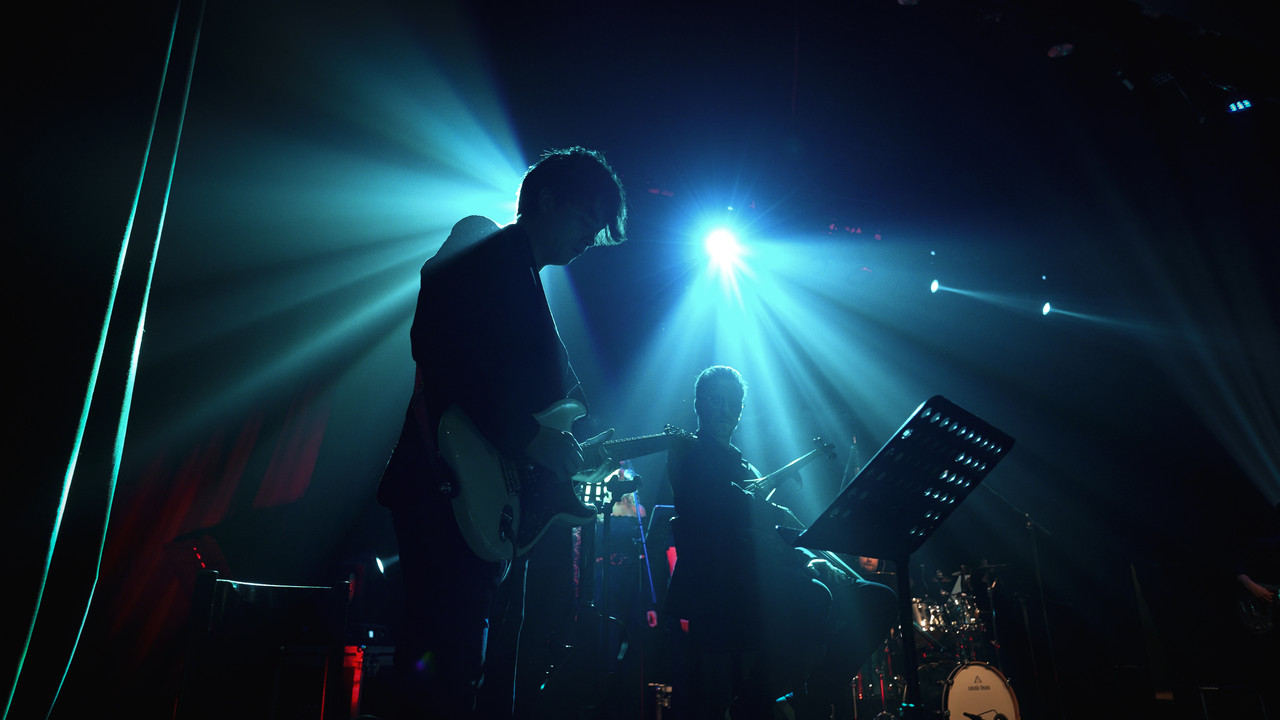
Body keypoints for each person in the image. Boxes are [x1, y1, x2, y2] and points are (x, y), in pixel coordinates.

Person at [377, 146, 628, 719]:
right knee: (444, 667)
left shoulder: (527, 282)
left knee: (474, 668)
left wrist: (571, 455)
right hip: (445, 488)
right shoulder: (482, 245)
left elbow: (553, 407)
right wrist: (527, 436)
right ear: (548, 200)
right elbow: (438, 344)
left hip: (489, 503)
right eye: (587, 219)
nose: (591, 238)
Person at [663, 365, 898, 720]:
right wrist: (796, 550)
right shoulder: (690, 455)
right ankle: (754, 701)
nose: (725, 410)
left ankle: (816, 694)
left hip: (768, 572)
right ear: (699, 404)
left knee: (879, 599)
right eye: (716, 400)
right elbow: (727, 518)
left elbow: (772, 531)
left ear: (741, 410)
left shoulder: (747, 467)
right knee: (813, 596)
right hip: (723, 583)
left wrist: (811, 557)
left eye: (734, 402)